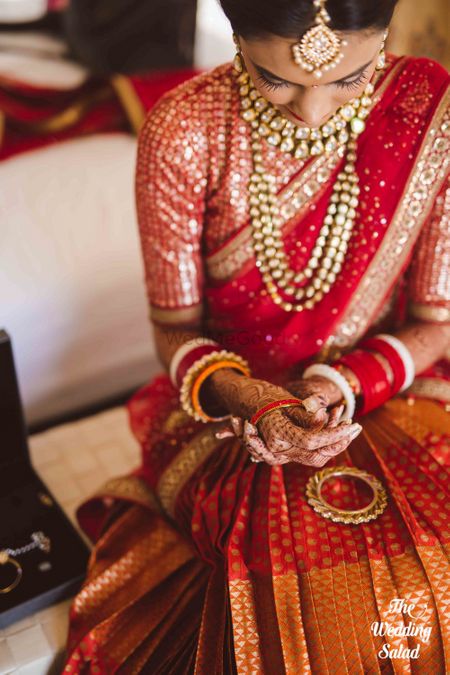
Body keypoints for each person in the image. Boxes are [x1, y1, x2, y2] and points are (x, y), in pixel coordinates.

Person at [63, 0, 450, 671]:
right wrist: (259, 403)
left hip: (388, 388)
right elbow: (174, 331)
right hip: (230, 413)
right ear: (237, 36)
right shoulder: (185, 129)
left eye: (351, 78)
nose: (312, 110)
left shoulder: (430, 108)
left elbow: (435, 322)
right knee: (306, 597)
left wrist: (339, 383)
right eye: (276, 80)